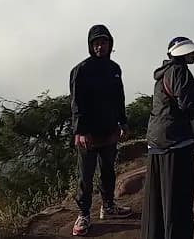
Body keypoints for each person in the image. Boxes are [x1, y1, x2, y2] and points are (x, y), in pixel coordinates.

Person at [141, 36, 194, 239]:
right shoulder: (180, 70)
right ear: (183, 54)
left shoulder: (162, 74)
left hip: (156, 142)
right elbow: (187, 105)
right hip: (176, 143)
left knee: (158, 202)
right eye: (189, 53)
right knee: (177, 201)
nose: (192, 56)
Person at [70, 24, 132, 236]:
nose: (100, 46)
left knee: (108, 171)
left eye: (104, 42)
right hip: (87, 134)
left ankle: (108, 206)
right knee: (86, 176)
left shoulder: (114, 69)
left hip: (109, 130)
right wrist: (80, 131)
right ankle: (84, 214)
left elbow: (119, 98)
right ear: (90, 45)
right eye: (96, 43)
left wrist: (122, 123)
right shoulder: (81, 70)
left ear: (110, 43)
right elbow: (77, 104)